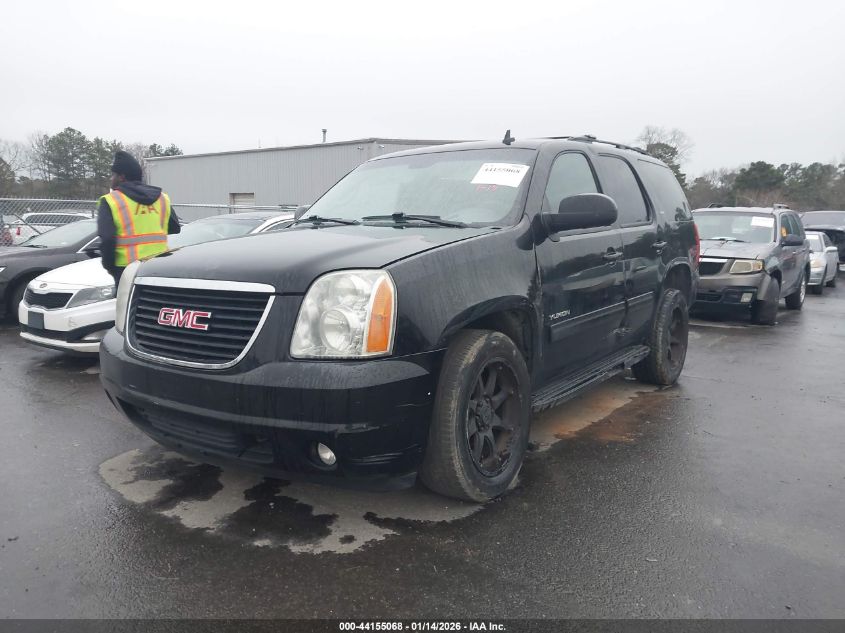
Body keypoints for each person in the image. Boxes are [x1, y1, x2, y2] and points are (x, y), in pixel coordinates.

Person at [97, 150, 181, 286]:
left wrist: (110, 267)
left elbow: (107, 240)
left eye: (113, 175)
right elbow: (174, 228)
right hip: (159, 266)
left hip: (127, 270)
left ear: (122, 177)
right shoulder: (161, 198)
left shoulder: (110, 201)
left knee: (127, 307)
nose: (111, 179)